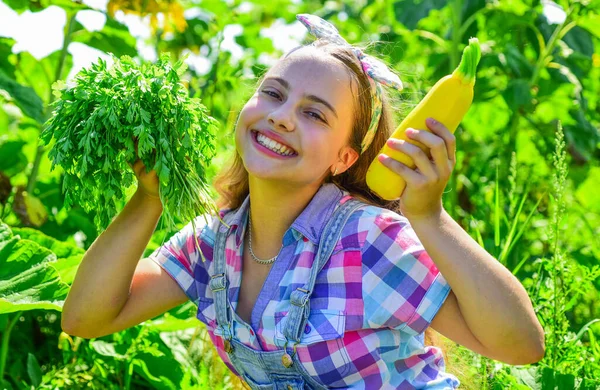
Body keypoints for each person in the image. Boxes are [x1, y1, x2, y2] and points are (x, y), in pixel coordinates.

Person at [61, 14, 545, 389]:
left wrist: (429, 216)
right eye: (273, 93)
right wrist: (148, 198)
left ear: (343, 158)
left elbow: (521, 345)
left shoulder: (367, 240)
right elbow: (87, 317)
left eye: (314, 113)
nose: (282, 117)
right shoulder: (216, 243)